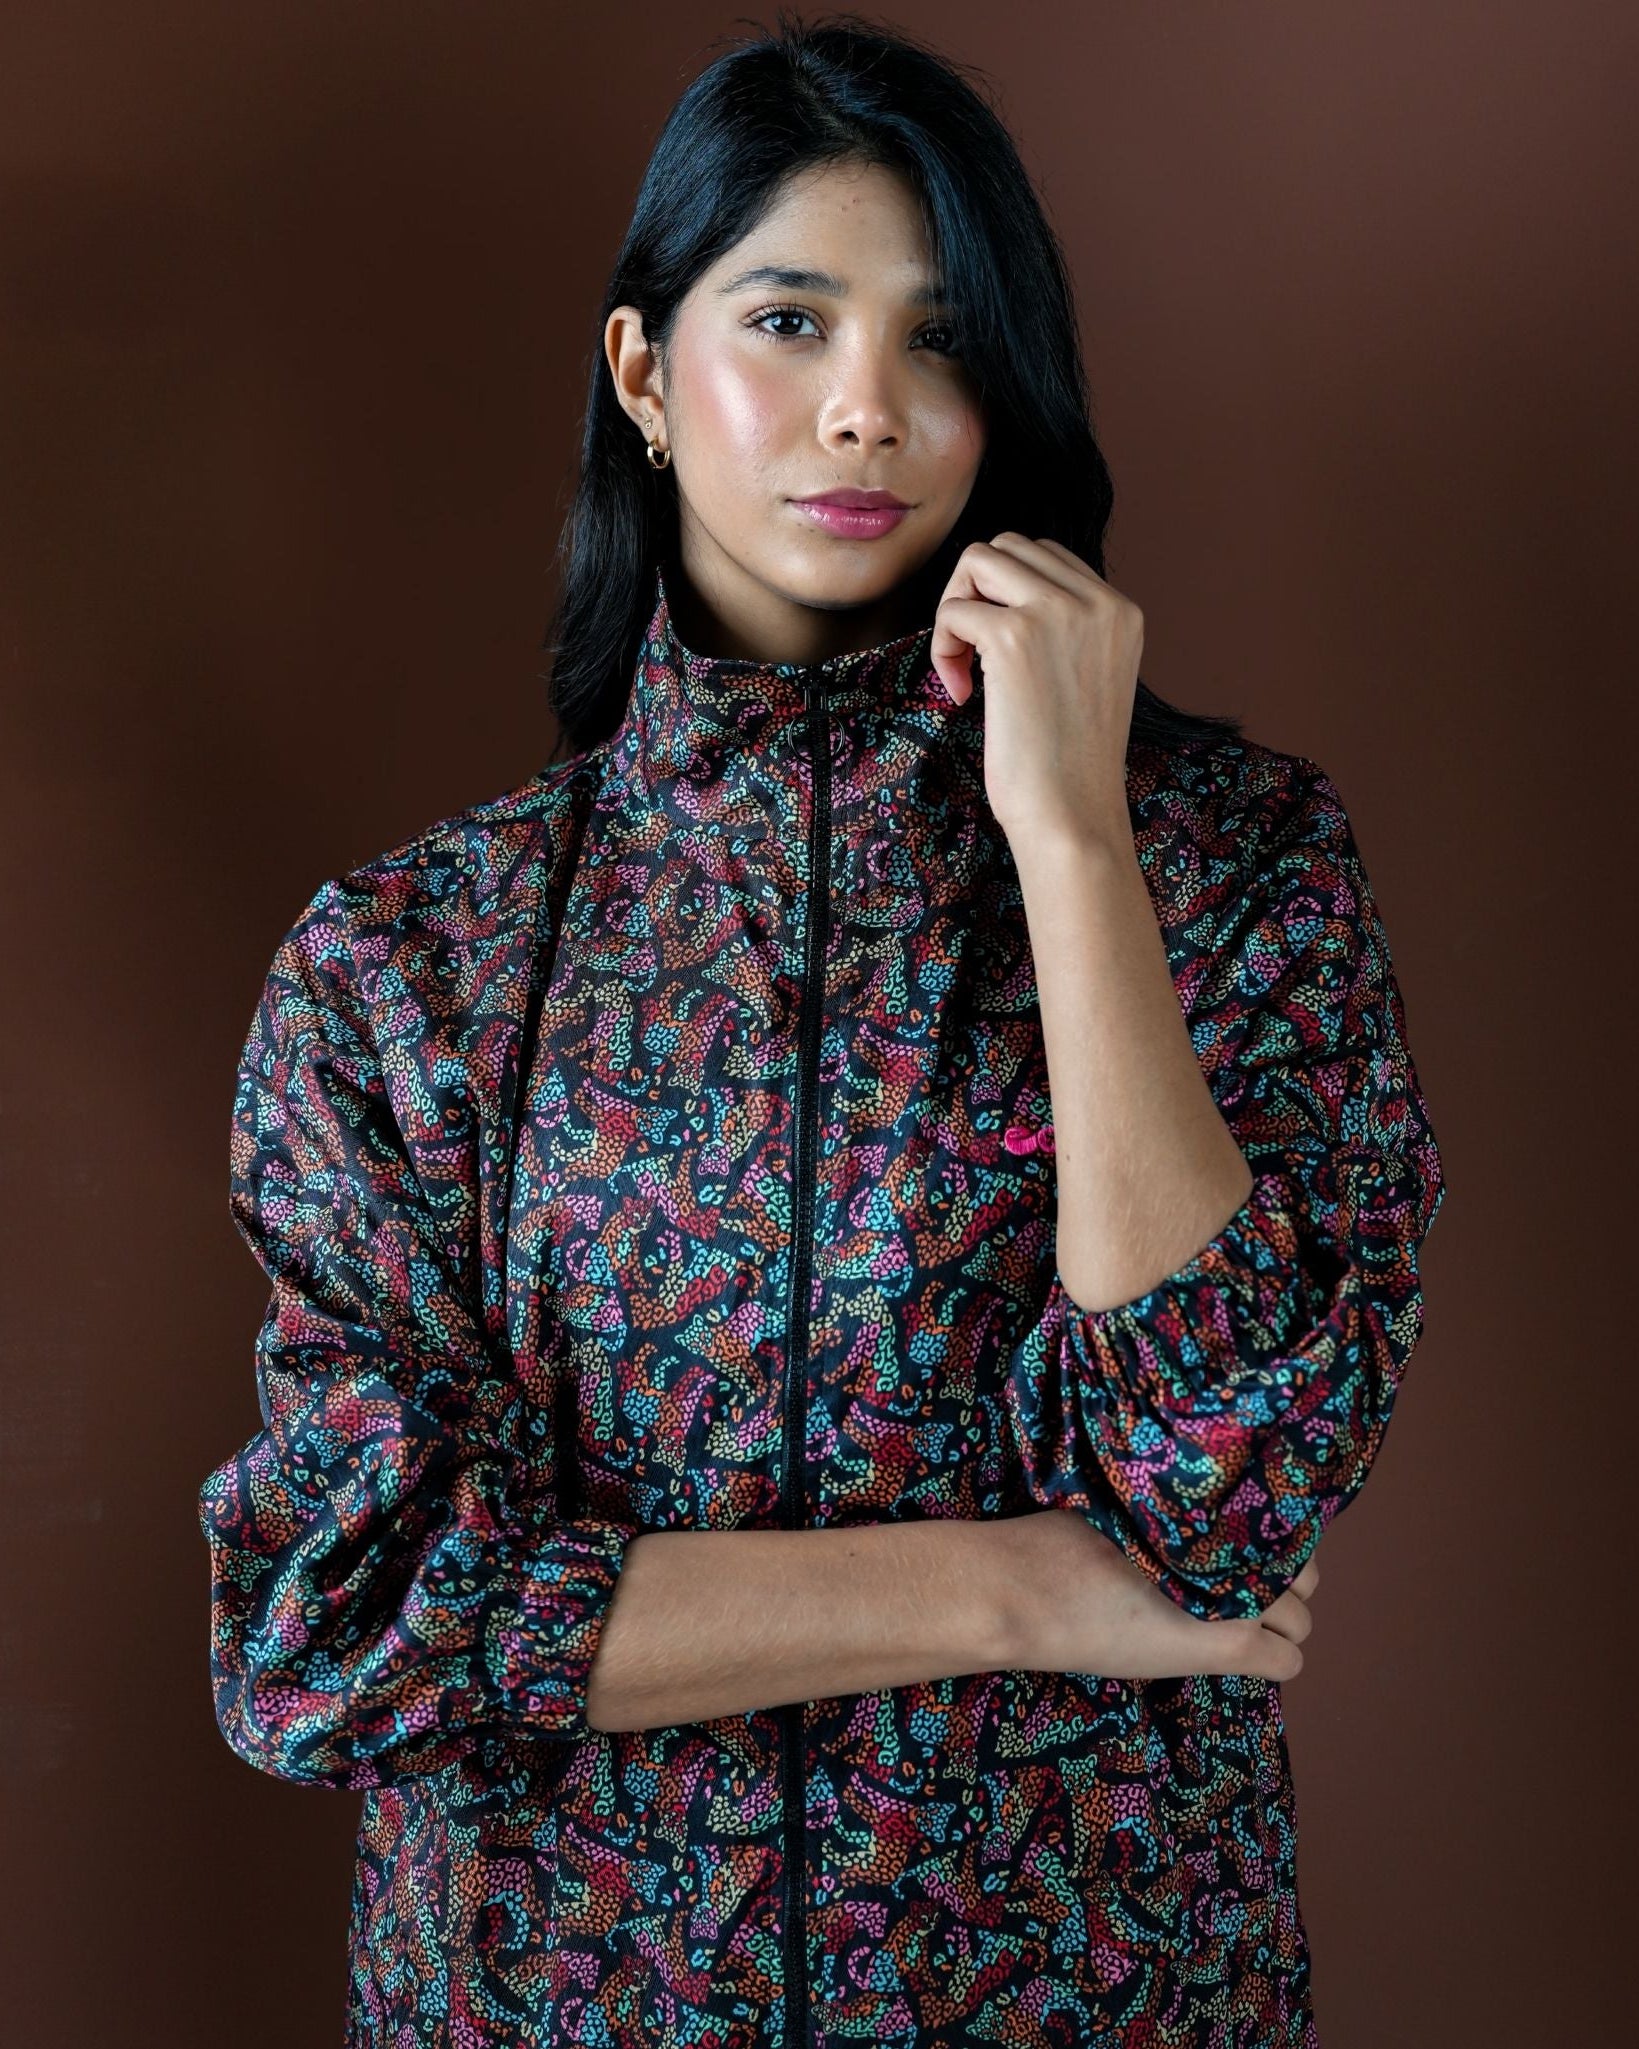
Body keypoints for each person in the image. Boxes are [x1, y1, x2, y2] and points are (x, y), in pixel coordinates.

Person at [197, 15, 1446, 2047]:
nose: (865, 408)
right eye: (788, 320)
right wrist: (1017, 1588)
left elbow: (1233, 1485)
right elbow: (343, 1620)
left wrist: (1073, 839)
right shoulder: (410, 967)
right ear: (642, 375)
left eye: (939, 340)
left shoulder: (1231, 869)